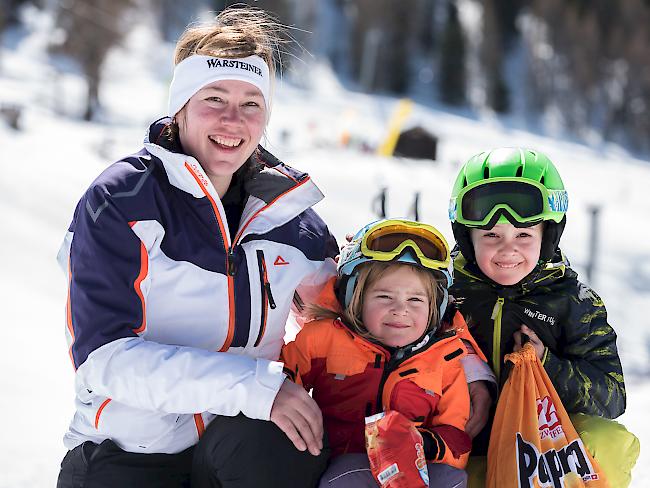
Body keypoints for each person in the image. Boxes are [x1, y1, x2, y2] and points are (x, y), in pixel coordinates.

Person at [55, 7, 339, 488]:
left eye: (252, 103)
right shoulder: (123, 199)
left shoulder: (292, 220)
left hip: (231, 456)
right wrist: (256, 388)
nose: (234, 119)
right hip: (126, 458)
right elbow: (104, 360)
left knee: (287, 443)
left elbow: (365, 315)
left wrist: (472, 364)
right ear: (180, 106)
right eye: (214, 98)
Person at [448, 147, 639, 485]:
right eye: (491, 235)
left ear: (548, 236)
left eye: (524, 235)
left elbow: (611, 395)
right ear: (467, 237)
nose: (508, 249)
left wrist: (546, 363)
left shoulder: (572, 304)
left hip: (540, 457)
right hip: (461, 455)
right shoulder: (442, 292)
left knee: (606, 440)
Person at [281, 219, 491, 488]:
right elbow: (281, 378)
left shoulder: (445, 363)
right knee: (350, 472)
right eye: (384, 297)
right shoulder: (324, 338)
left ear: (435, 309)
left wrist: (424, 444)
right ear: (355, 298)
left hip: (414, 470)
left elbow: (456, 439)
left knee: (451, 479)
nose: (400, 309)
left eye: (415, 300)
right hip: (341, 463)